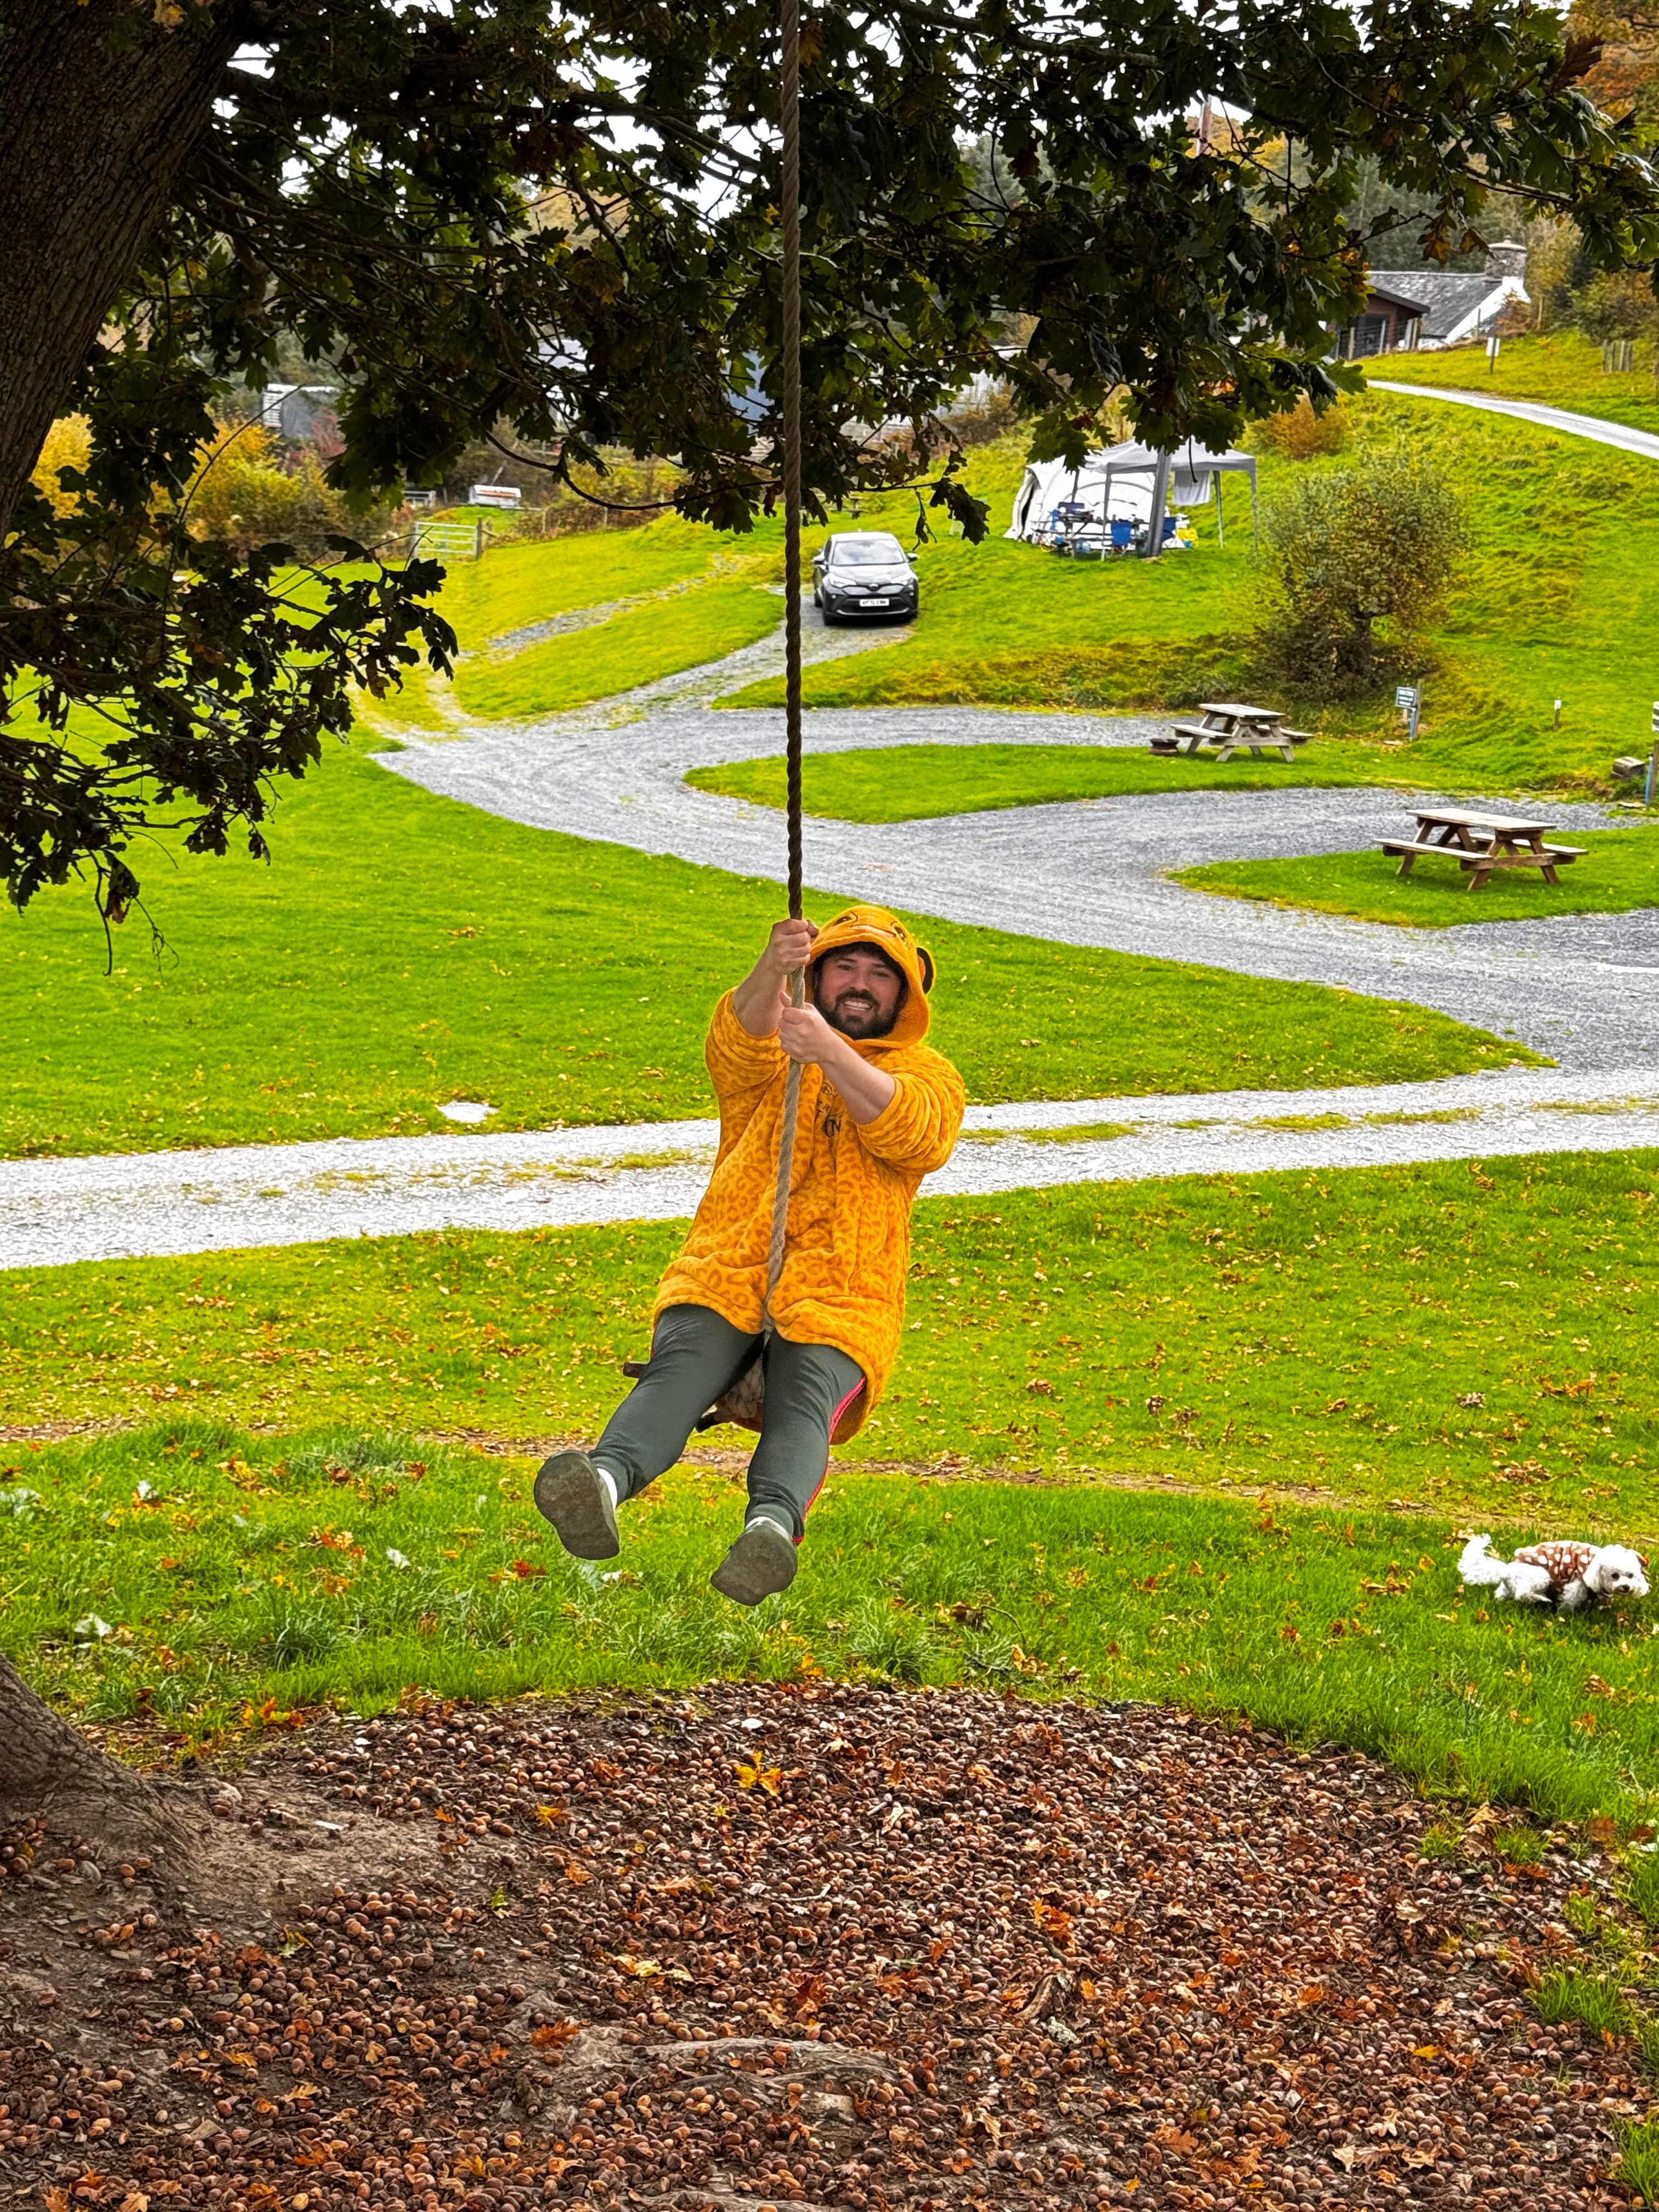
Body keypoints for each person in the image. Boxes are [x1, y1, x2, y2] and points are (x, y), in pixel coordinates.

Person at [533, 904, 964, 1604]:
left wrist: (828, 1050)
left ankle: (769, 1531)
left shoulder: (929, 1074)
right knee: (679, 1374)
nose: (859, 984)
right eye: (843, 967)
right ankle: (601, 1484)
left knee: (806, 1400)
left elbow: (914, 1134)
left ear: (906, 994)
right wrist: (774, 965)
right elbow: (736, 1043)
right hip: (728, 1265)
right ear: (815, 978)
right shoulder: (774, 1053)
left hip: (844, 1293)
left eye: (878, 975)